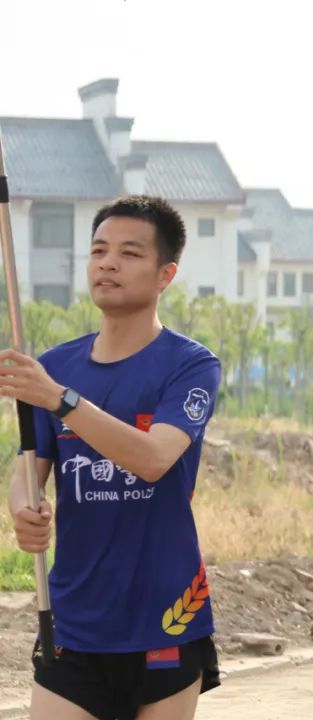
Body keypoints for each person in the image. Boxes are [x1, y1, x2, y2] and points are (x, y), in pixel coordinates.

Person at [4, 195, 221, 720]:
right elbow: (28, 465)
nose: (108, 263)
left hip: (165, 617)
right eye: (99, 250)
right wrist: (22, 508)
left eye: (129, 252)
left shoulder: (190, 365)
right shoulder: (56, 366)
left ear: (166, 274)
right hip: (75, 619)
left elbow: (153, 458)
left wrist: (60, 399)